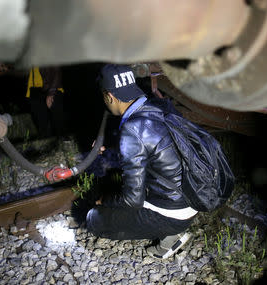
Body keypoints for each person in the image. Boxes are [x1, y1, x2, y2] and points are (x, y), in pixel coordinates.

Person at [86, 64, 198, 259]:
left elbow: (132, 201)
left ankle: (170, 236)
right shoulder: (159, 106)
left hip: (173, 214)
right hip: (193, 200)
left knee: (94, 218)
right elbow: (156, 144)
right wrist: (114, 146)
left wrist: (104, 200)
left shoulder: (131, 131)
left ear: (109, 96)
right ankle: (172, 227)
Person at [25, 66, 67, 137]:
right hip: (34, 91)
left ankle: (64, 143)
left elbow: (57, 71)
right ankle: (46, 143)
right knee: (41, 124)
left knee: (58, 122)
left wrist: (51, 92)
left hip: (51, 89)